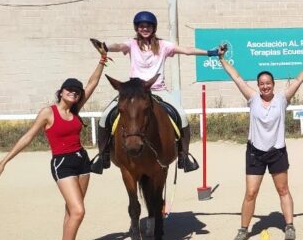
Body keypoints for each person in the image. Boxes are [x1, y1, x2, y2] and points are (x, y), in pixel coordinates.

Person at [0, 56, 107, 240]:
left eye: (77, 91)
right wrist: (4, 161)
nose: (74, 92)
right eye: (69, 89)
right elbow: (28, 137)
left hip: (82, 161)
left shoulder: (77, 109)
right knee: (79, 211)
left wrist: (102, 60)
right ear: (61, 92)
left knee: (71, 211)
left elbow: (92, 83)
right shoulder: (48, 112)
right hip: (62, 163)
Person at [91, 11, 221, 172]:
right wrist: (105, 47)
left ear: (153, 28)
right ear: (137, 28)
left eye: (148, 26)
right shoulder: (131, 44)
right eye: (141, 26)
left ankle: (184, 156)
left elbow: (186, 50)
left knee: (181, 116)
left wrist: (210, 53)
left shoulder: (164, 45)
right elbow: (118, 46)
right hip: (134, 92)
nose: (145, 28)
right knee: (105, 117)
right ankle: (102, 156)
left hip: (158, 89)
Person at [217, 43, 303, 240]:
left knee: (283, 190)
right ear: (258, 85)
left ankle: (289, 225)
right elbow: (236, 77)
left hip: (277, 152)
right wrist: (221, 59)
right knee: (251, 193)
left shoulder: (282, 99)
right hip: (255, 152)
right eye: (261, 83)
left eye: (268, 83)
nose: (265, 86)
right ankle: (244, 229)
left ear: (273, 84)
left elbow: (299, 79)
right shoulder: (252, 98)